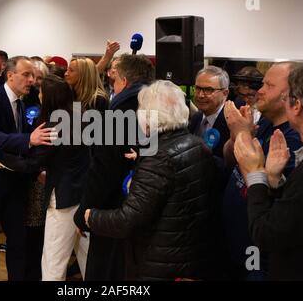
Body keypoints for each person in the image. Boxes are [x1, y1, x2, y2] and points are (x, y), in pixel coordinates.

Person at [84, 80, 218, 280]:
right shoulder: (197, 144)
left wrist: (90, 216)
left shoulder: (158, 159)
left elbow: (128, 220)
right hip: (187, 257)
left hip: (159, 262)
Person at [0, 74, 90, 281]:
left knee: (53, 263)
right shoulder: (80, 113)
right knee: (86, 259)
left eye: (42, 92)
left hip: (63, 199)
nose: (38, 95)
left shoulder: (55, 124)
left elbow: (31, 164)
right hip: (84, 196)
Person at [234, 62, 303, 280]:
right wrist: (277, 182)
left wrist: (255, 174)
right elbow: (300, 216)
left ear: (296, 107)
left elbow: (267, 235)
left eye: (287, 99)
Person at [0, 56, 54, 281]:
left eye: (34, 76)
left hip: (14, 183)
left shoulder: (23, 103)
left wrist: (35, 170)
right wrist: (28, 139)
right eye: (26, 74)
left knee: (17, 241)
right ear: (10, 75)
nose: (32, 80)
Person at [74, 54, 155, 280]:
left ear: (124, 81)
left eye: (114, 80)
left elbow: (103, 171)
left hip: (113, 214)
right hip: (147, 217)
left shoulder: (118, 114)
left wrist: (84, 215)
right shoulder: (162, 110)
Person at [221, 62, 302, 280]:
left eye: (269, 85)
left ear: (289, 96)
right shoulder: (267, 122)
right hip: (236, 240)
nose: (260, 90)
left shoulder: (292, 139)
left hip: (258, 250)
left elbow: (263, 186)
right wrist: (235, 134)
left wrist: (242, 135)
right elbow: (231, 160)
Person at [189, 66, 231, 159]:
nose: (200, 95)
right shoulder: (196, 117)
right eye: (197, 88)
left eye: (208, 90)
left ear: (225, 93)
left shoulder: (231, 123)